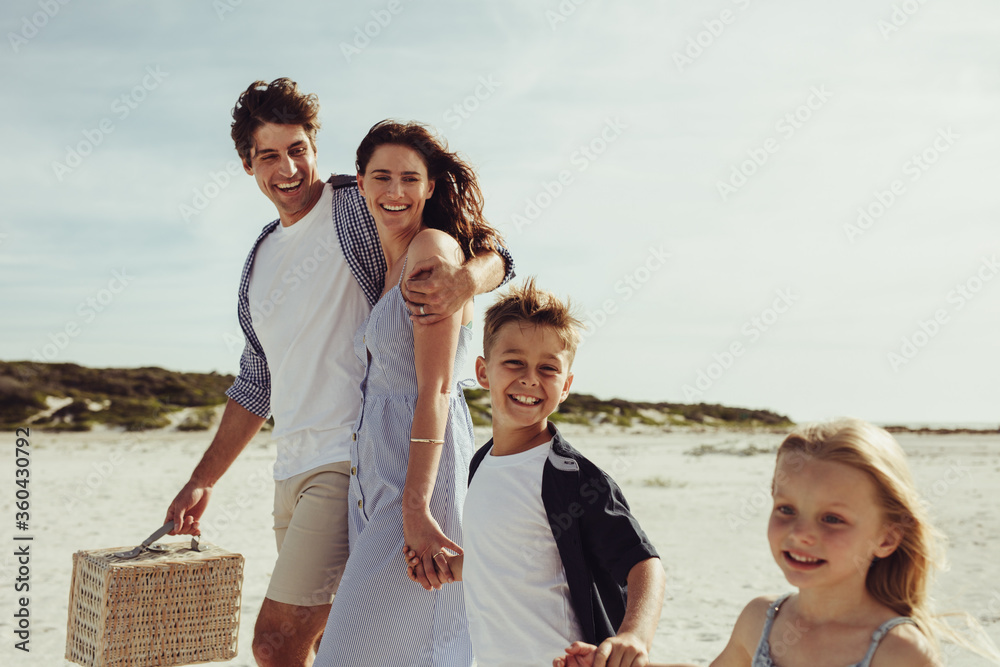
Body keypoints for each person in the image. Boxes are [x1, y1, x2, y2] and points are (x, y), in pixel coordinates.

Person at [164, 80, 513, 667]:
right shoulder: (259, 256)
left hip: (350, 457)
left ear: (316, 148)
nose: (288, 168)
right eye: (269, 155)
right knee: (337, 641)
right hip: (293, 468)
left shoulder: (359, 204)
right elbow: (257, 381)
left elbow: (490, 251)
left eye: (298, 149)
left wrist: (464, 284)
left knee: (275, 642)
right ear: (247, 164)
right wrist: (204, 479)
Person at [556, 419, 1000, 667]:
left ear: (887, 537)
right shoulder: (762, 619)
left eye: (833, 518)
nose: (801, 532)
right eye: (786, 509)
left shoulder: (897, 651)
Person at [311, 120, 504, 666]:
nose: (394, 191)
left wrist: (417, 507)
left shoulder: (432, 249)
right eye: (381, 177)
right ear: (361, 181)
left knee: (347, 655)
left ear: (429, 188)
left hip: (418, 483)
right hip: (376, 482)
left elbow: (437, 388)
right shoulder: (391, 259)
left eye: (409, 178)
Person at [408, 279, 666, 667]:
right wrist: (448, 567)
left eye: (548, 368)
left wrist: (634, 636)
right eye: (514, 362)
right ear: (482, 371)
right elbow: (507, 561)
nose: (530, 378)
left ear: (565, 387)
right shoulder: (480, 464)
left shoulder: (571, 477)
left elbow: (644, 563)